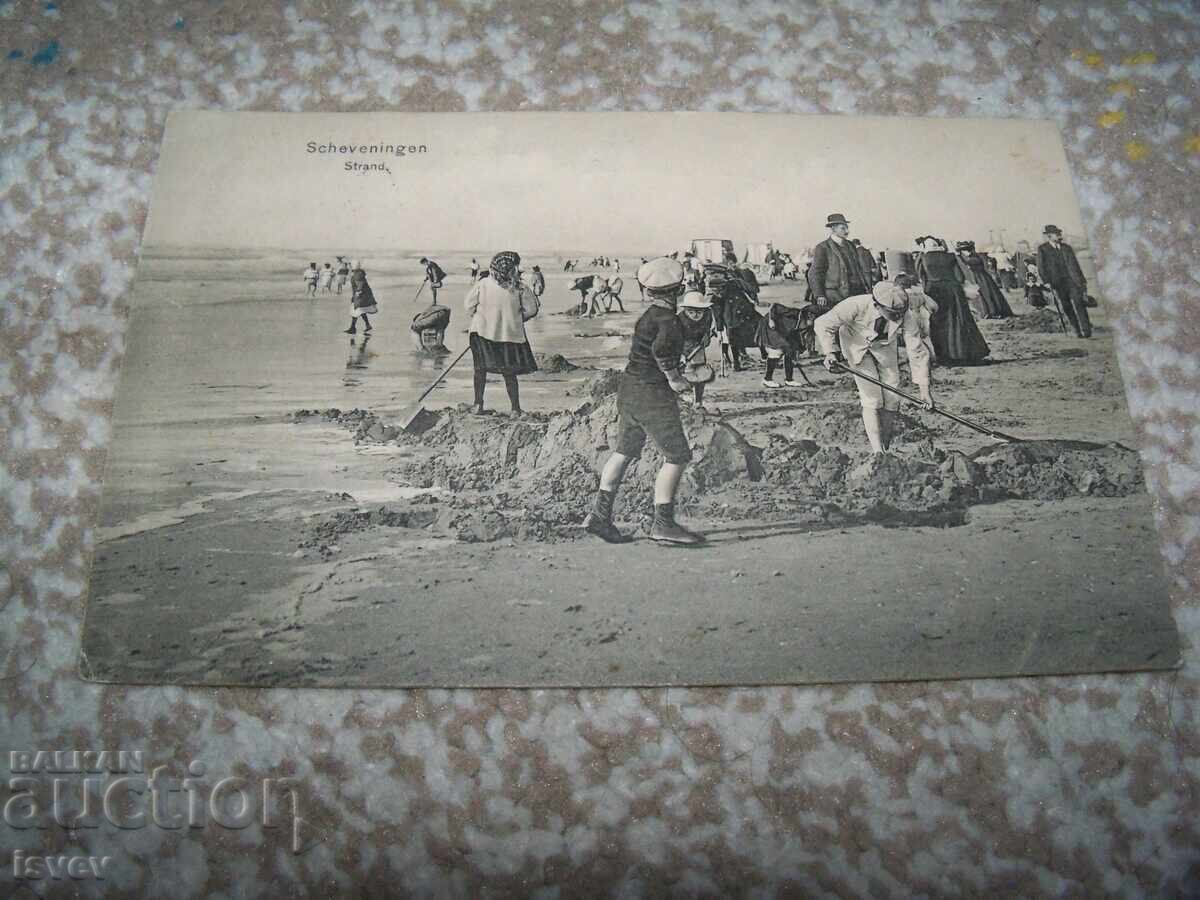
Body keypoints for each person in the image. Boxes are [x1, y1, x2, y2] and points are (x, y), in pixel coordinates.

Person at [583, 257, 704, 546]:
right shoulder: (669, 320)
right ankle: (663, 523)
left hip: (629, 390)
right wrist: (676, 379)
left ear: (648, 291)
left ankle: (600, 515)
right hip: (653, 394)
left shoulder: (648, 316)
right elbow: (662, 350)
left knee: (624, 451)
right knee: (677, 456)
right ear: (677, 290)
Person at [816, 281, 935, 454]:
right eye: (892, 314)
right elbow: (823, 323)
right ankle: (878, 452)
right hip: (855, 345)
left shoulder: (905, 315)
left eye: (899, 314)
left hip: (884, 346)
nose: (897, 318)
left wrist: (925, 392)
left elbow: (916, 350)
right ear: (876, 305)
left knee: (893, 396)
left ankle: (885, 445)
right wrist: (830, 352)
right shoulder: (855, 305)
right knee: (872, 397)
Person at [464, 251, 539, 416]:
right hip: (509, 336)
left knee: (480, 369)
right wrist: (515, 319)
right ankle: (515, 409)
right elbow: (532, 310)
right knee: (509, 373)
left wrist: (480, 318)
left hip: (481, 333)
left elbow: (468, 306)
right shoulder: (520, 288)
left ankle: (478, 405)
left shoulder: (482, 284)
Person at [915, 237, 990, 364]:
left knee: (938, 324)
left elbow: (921, 277)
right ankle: (964, 353)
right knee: (959, 320)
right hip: (953, 290)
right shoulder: (950, 256)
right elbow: (960, 277)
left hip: (934, 291)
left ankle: (944, 356)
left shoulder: (922, 258)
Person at [1036, 225, 1092, 338]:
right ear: (1049, 236)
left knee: (1079, 303)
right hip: (1057, 283)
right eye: (1056, 234)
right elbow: (1041, 267)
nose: (1059, 236)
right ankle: (1076, 330)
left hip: (1072, 281)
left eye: (1059, 233)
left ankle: (1086, 329)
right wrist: (1046, 281)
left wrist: (1082, 281)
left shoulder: (1067, 248)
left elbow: (1076, 266)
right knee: (1066, 306)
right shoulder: (1043, 249)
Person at [807, 213, 870, 311]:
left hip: (856, 292)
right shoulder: (823, 247)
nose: (847, 231)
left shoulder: (851, 245)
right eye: (843, 228)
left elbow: (859, 269)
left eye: (847, 228)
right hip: (836, 296)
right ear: (833, 229)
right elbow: (815, 273)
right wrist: (819, 295)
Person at [756, 297, 807, 388]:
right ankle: (767, 380)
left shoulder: (801, 324)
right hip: (770, 327)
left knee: (790, 351)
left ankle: (789, 380)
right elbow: (774, 306)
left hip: (781, 330)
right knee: (776, 351)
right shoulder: (794, 313)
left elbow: (795, 334)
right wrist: (771, 321)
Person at [956, 241, 1013, 319]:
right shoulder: (973, 256)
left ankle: (993, 312)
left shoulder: (974, 257)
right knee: (984, 294)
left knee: (987, 294)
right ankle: (988, 312)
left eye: (963, 250)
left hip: (982, 278)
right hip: (980, 277)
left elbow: (967, 262)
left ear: (967, 250)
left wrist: (960, 256)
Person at [678, 290, 714, 409]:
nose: (695, 315)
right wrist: (681, 354)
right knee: (681, 373)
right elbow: (674, 339)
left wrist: (706, 336)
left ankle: (698, 401)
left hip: (698, 347)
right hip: (682, 346)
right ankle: (676, 399)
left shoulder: (708, 315)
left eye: (699, 311)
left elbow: (707, 330)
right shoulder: (679, 320)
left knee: (700, 374)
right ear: (685, 310)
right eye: (691, 312)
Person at [345, 260, 377, 334]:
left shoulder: (357, 274)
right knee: (359, 311)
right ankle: (365, 325)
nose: (350, 267)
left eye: (351, 265)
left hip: (361, 296)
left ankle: (353, 328)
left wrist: (357, 293)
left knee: (356, 311)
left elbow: (360, 284)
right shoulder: (358, 273)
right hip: (363, 295)